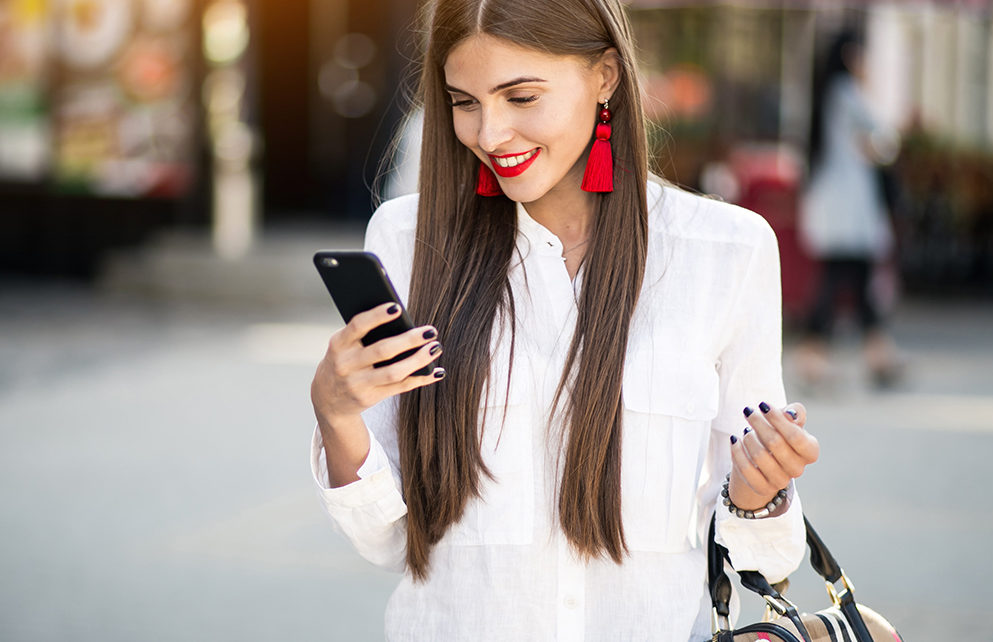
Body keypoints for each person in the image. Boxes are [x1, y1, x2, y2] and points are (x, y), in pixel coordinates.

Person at [309, 1, 820, 639]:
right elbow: (385, 540)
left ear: (605, 76)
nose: (490, 134)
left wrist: (760, 493)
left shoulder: (727, 250)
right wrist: (336, 413)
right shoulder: (409, 239)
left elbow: (761, 556)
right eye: (464, 102)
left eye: (520, 96)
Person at [798, 29, 902, 388]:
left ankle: (873, 354)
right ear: (850, 56)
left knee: (850, 280)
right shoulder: (848, 94)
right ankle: (827, 355)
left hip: (832, 205)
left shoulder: (826, 95)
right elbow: (887, 142)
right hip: (850, 210)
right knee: (844, 279)